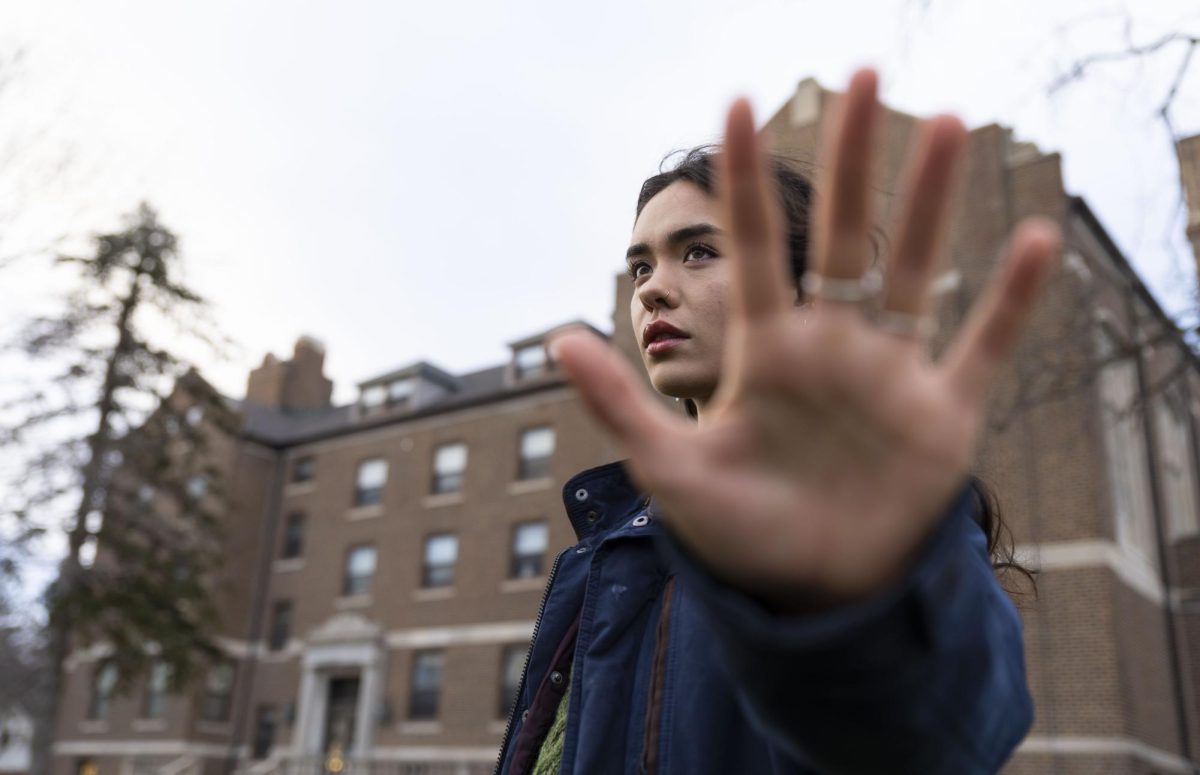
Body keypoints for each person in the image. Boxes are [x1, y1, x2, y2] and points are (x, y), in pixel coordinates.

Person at [493, 68, 1059, 775]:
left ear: (800, 292)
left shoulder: (861, 515)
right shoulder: (605, 546)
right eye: (640, 267)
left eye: (698, 252)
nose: (654, 288)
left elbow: (949, 734)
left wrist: (843, 610)